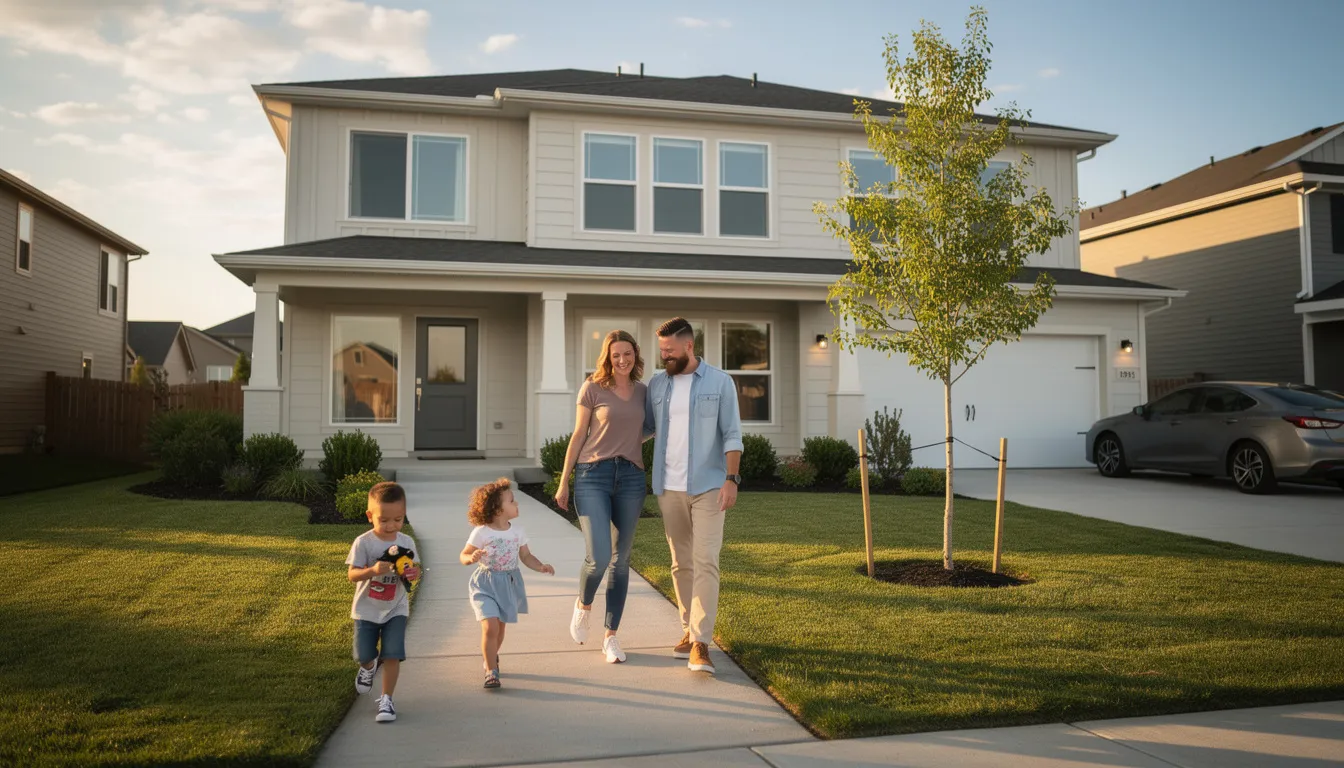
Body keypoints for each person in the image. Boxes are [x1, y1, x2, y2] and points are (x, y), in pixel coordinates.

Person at [645, 317, 743, 675]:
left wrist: (731, 479)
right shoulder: (658, 385)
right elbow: (642, 429)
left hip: (709, 485)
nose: (664, 357)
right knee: (680, 563)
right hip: (668, 487)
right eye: (661, 352)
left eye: (669, 351)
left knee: (705, 560)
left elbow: (732, 434)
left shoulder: (719, 382)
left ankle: (702, 642)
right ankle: (687, 631)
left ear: (689, 346)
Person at [555, 329, 650, 664]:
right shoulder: (592, 386)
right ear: (608, 358)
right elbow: (579, 434)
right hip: (592, 475)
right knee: (598, 557)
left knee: (620, 561)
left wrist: (632, 441)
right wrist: (564, 481)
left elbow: (648, 427)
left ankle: (611, 636)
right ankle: (583, 606)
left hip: (631, 478)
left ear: (635, 355)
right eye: (615, 355)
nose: (622, 360)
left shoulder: (643, 392)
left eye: (627, 354)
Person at [460, 477, 555, 689]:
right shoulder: (481, 531)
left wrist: (540, 566)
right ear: (497, 508)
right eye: (512, 501)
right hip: (485, 583)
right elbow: (464, 555)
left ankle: (491, 656)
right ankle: (490, 671)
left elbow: (526, 556)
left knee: (500, 630)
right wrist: (472, 557)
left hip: (508, 583)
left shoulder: (517, 531)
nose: (517, 504)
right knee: (490, 626)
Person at [345, 481, 421, 723]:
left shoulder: (407, 543)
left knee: (393, 654)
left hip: (396, 607)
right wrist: (373, 570)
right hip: (366, 609)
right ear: (370, 516)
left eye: (398, 520)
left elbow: (413, 570)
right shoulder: (364, 542)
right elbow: (352, 575)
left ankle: (387, 700)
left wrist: (412, 573)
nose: (391, 526)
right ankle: (368, 668)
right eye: (384, 520)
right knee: (363, 654)